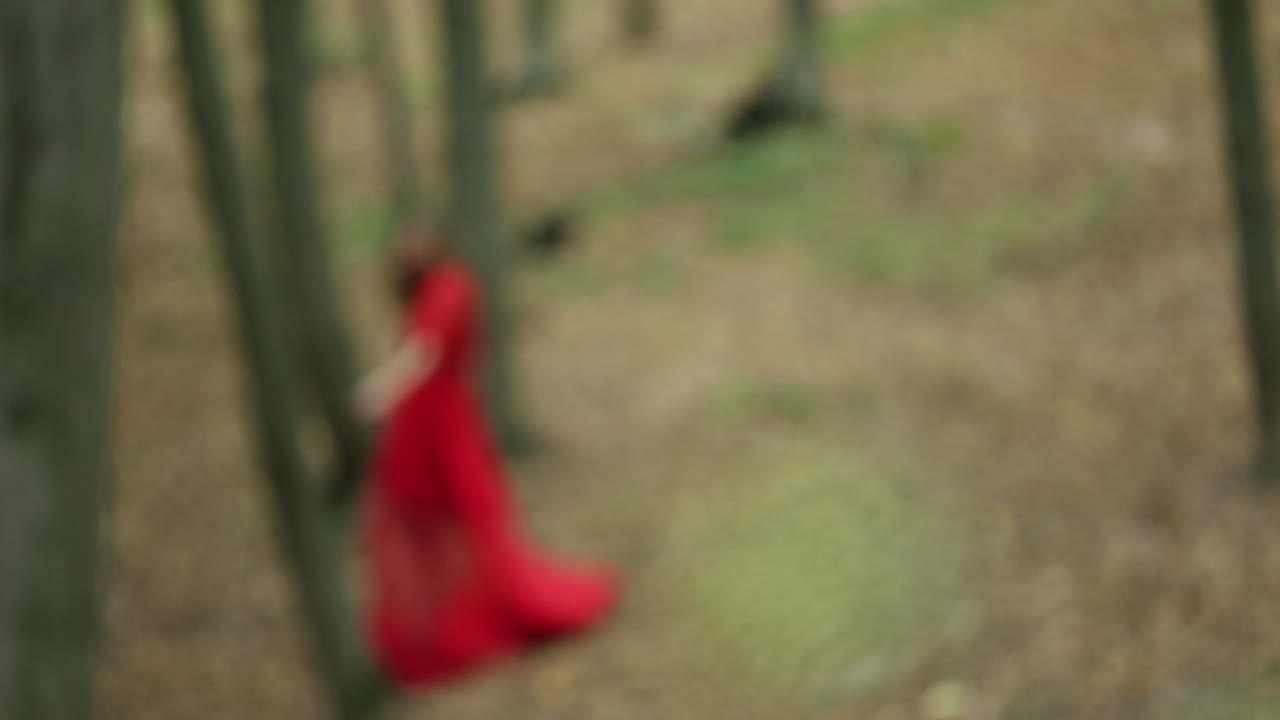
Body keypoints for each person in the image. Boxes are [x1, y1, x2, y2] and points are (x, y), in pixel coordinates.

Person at [355, 224, 619, 688]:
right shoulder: (430, 293)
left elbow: (425, 353)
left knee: (477, 517)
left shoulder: (452, 287)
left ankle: (502, 608)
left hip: (445, 427)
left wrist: (381, 389)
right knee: (427, 528)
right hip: (421, 430)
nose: (410, 257)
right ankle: (440, 626)